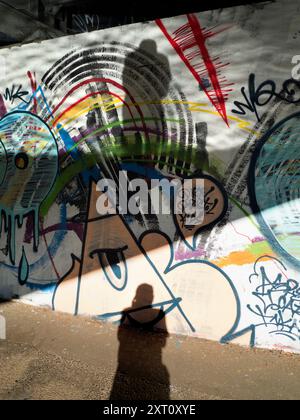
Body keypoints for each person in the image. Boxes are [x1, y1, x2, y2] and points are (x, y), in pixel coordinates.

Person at [110, 284, 170, 400]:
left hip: (127, 363)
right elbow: (163, 342)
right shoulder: (159, 314)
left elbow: (121, 336)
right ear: (152, 296)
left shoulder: (127, 312)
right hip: (149, 364)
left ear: (136, 295)